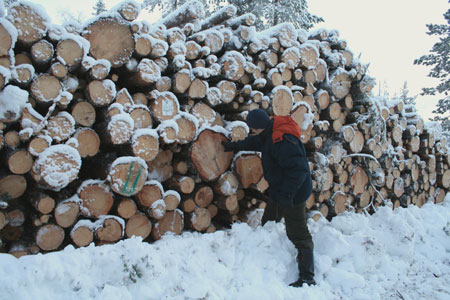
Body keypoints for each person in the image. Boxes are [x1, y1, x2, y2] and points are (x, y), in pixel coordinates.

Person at [222, 109, 315, 287]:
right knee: (269, 221)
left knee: (298, 232)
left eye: (252, 128)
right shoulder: (269, 132)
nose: (252, 131)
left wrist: (288, 195)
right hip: (280, 189)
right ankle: (266, 252)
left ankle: (307, 277)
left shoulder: (283, 140)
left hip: (294, 191)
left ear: (259, 126)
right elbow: (255, 142)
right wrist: (234, 146)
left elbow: (299, 171)